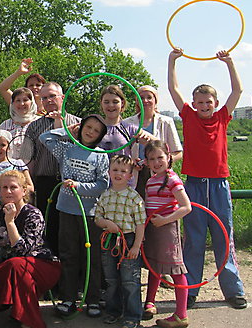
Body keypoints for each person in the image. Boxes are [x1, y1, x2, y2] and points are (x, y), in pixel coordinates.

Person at [168, 48, 246, 310]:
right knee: (194, 238)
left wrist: (229, 63)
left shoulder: (222, 117)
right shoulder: (188, 116)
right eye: (199, 102)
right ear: (194, 104)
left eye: (208, 102)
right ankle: (190, 290)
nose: (204, 106)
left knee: (225, 238)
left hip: (219, 184)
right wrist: (172, 61)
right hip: (194, 184)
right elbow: (173, 89)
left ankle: (233, 290)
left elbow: (237, 92)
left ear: (215, 102)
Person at [40, 113, 109, 318]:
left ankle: (93, 299)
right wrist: (67, 131)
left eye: (96, 130)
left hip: (90, 213)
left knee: (92, 257)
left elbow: (102, 185)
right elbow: (45, 138)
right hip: (66, 210)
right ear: (81, 127)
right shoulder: (68, 148)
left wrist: (79, 186)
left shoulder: (101, 155)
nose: (91, 132)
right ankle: (68, 298)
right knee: (68, 254)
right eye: (88, 127)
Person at [0, 170, 60, 328]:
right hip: (13, 268)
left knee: (17, 265)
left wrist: (10, 223)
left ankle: (29, 321)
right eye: (4, 187)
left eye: (13, 187)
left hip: (42, 266)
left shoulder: (33, 214)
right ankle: (19, 314)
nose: (8, 191)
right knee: (6, 270)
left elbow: (24, 251)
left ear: (24, 190)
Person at [21, 82, 79, 256]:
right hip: (44, 184)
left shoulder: (78, 123)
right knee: (48, 228)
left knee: (70, 230)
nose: (48, 100)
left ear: (62, 97)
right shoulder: (34, 127)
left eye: (52, 96)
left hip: (71, 184)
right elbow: (27, 160)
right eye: (44, 98)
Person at [141, 140, 192, 328]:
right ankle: (150, 302)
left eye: (160, 157)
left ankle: (181, 314)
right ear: (146, 162)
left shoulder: (172, 179)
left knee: (175, 269)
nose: (156, 162)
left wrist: (165, 220)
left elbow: (186, 207)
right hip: (152, 228)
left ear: (168, 158)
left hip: (167, 229)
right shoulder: (151, 180)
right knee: (154, 266)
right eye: (151, 159)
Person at [94, 155, 146, 328]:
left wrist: (136, 245)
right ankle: (113, 311)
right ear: (109, 172)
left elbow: (140, 223)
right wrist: (105, 223)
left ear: (130, 175)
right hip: (109, 239)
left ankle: (133, 315)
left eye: (123, 171)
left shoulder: (134, 197)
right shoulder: (105, 195)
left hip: (128, 239)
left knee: (130, 279)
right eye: (115, 170)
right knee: (111, 279)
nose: (118, 174)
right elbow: (97, 217)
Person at [124, 85, 183, 197]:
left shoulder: (166, 122)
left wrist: (161, 163)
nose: (145, 101)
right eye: (141, 98)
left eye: (149, 97)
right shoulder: (127, 123)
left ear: (155, 100)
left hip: (159, 174)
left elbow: (178, 153)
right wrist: (131, 162)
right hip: (136, 175)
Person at [0, 87, 39, 162]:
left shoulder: (39, 122)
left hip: (36, 169)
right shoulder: (5, 125)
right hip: (10, 170)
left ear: (31, 102)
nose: (21, 104)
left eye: (25, 100)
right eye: (18, 100)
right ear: (12, 103)